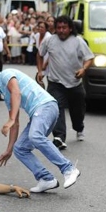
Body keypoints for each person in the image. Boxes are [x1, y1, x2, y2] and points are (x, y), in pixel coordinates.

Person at [0, 64, 81, 193]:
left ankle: (68, 169)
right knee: (20, 148)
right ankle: (46, 179)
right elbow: (15, 124)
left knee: (35, 136)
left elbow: (16, 92)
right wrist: (9, 150)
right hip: (40, 113)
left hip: (46, 106)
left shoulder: (5, 74)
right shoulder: (5, 92)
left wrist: (11, 119)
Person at [37, 15, 94, 150]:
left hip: (74, 83)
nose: (61, 30)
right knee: (56, 108)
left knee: (77, 111)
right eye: (59, 28)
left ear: (70, 28)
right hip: (55, 82)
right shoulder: (50, 40)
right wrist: (40, 71)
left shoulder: (78, 41)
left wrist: (83, 69)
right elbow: (39, 54)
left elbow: (89, 58)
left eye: (64, 28)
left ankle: (79, 127)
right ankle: (59, 137)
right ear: (55, 28)